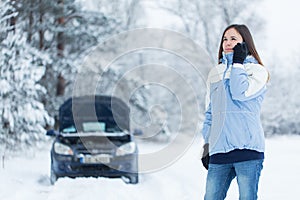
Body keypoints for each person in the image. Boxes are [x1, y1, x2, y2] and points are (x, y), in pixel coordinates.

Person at [201, 24, 269, 200]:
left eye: (233, 39)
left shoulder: (258, 71)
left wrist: (237, 63)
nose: (228, 42)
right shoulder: (215, 73)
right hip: (219, 151)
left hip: (247, 150)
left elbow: (240, 92)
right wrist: (207, 145)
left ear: (245, 42)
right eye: (225, 39)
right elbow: (210, 113)